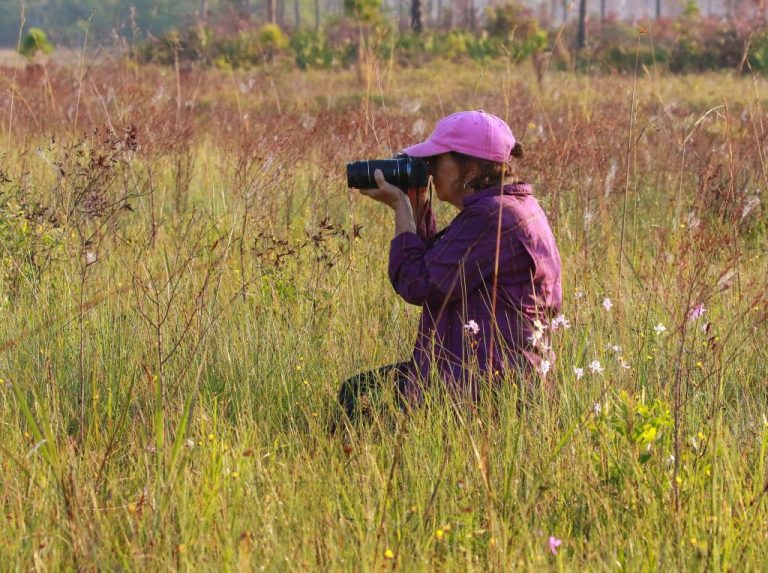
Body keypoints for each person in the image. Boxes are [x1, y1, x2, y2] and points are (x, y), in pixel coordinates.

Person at [337, 110, 562, 425]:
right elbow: (441, 266)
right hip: (497, 371)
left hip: (484, 382)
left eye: (435, 161)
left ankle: (360, 470)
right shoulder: (513, 207)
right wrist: (417, 206)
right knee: (360, 390)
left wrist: (401, 208)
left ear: (468, 167)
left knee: (361, 398)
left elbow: (419, 283)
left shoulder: (492, 216)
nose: (428, 171)